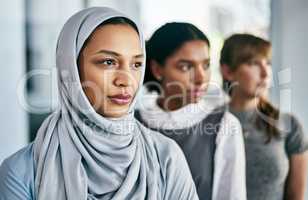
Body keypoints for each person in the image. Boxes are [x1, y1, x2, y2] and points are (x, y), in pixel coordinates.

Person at [0, 7, 199, 200]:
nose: (126, 80)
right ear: (71, 68)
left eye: (136, 64)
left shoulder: (165, 157)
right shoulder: (22, 171)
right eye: (108, 62)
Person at [135, 22, 246, 200]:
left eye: (206, 65)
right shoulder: (132, 122)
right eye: (186, 67)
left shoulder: (224, 125)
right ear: (156, 69)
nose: (201, 77)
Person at [220, 33, 308, 200]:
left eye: (267, 63)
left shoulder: (289, 125)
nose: (265, 73)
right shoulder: (209, 124)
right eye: (253, 63)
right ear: (228, 71)